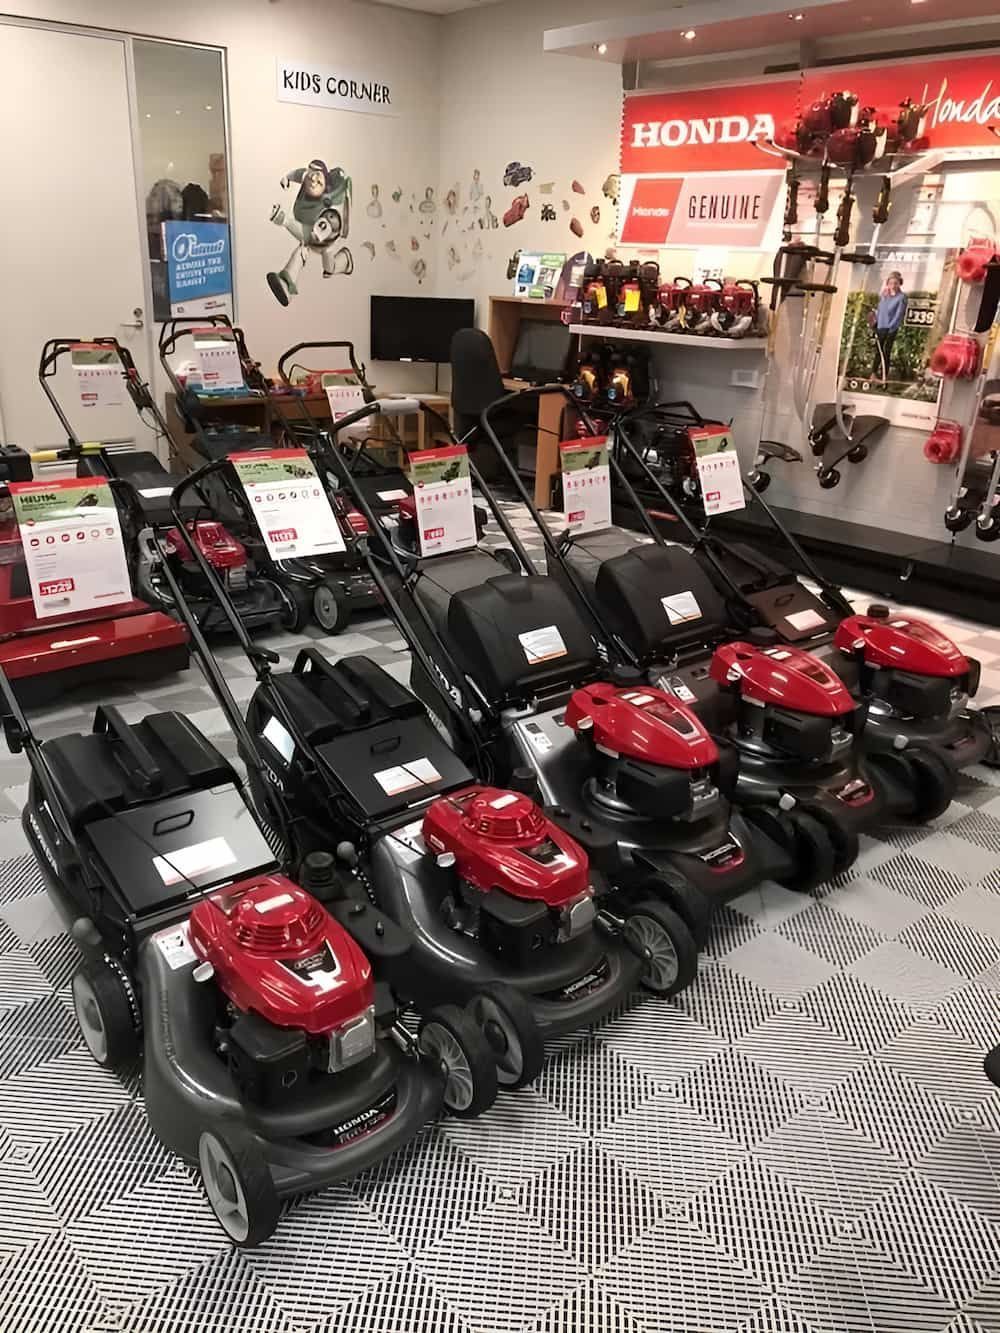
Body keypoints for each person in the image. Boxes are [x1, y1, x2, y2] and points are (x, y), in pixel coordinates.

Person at [871, 270, 908, 381]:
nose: (893, 285)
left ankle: (884, 376)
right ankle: (873, 373)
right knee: (878, 351)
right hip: (880, 327)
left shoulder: (901, 298)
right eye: (891, 283)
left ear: (899, 283)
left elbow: (899, 315)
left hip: (891, 329)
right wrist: (875, 322)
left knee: (886, 352)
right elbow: (880, 310)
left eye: (896, 283)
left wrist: (891, 328)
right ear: (888, 283)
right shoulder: (884, 295)